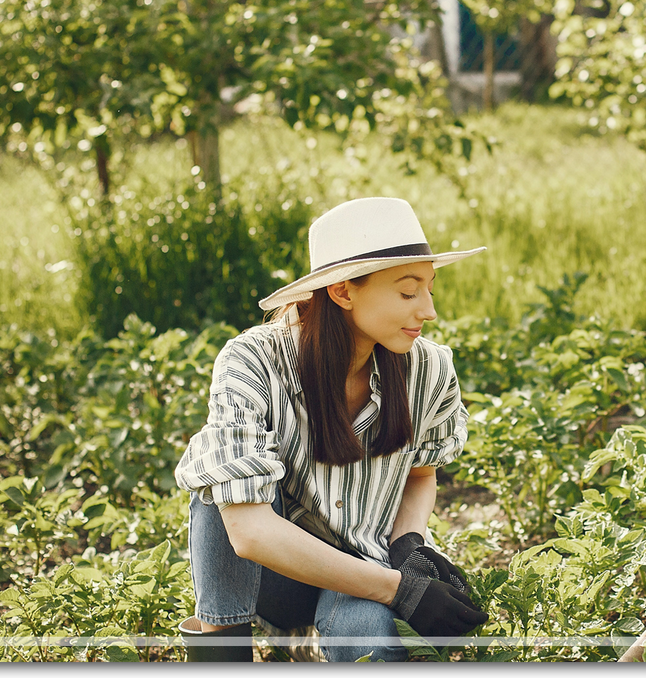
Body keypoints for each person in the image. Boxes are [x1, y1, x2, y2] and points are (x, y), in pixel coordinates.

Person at [172, 196, 489, 662]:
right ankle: (225, 652)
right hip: (276, 578)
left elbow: (421, 475)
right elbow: (248, 532)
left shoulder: (429, 368)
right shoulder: (254, 361)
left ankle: (313, 644)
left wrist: (407, 543)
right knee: (221, 487)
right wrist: (400, 590)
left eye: (430, 289)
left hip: (367, 565)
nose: (428, 310)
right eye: (408, 293)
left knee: (372, 646)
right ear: (342, 292)